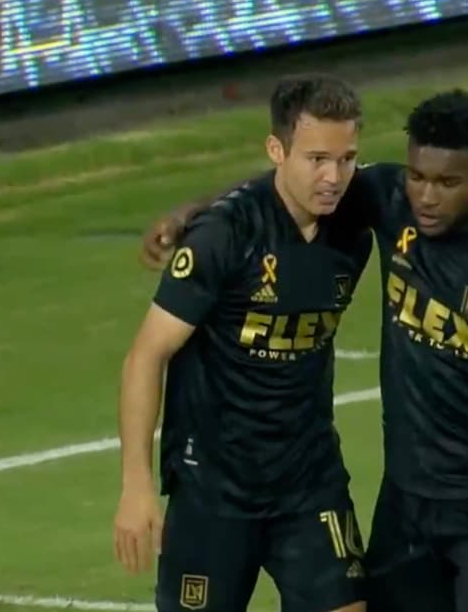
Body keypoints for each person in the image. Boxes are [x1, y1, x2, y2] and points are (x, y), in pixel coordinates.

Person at [141, 89, 468, 612]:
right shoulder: (390, 198)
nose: (426, 197)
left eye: (448, 183)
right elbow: (288, 182)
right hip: (406, 505)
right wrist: (196, 210)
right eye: (418, 176)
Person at [114, 74, 374, 612]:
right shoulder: (224, 237)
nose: (333, 177)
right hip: (214, 489)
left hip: (309, 480)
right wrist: (136, 485)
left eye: (346, 159)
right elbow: (146, 356)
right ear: (277, 150)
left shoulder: (355, 221)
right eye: (317, 159)